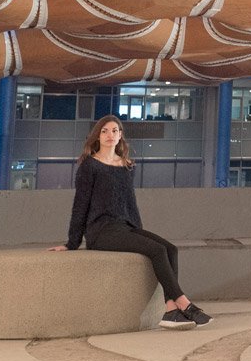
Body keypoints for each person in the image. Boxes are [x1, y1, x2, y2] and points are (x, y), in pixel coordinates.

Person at [49, 115, 214, 331]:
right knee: (156, 250)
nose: (110, 135)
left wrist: (138, 232)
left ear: (120, 136)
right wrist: (72, 242)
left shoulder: (125, 165)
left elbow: (130, 202)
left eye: (115, 131)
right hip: (101, 231)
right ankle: (184, 304)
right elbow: (80, 205)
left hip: (125, 227)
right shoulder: (89, 166)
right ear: (97, 136)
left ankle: (171, 310)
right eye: (105, 131)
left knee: (170, 249)